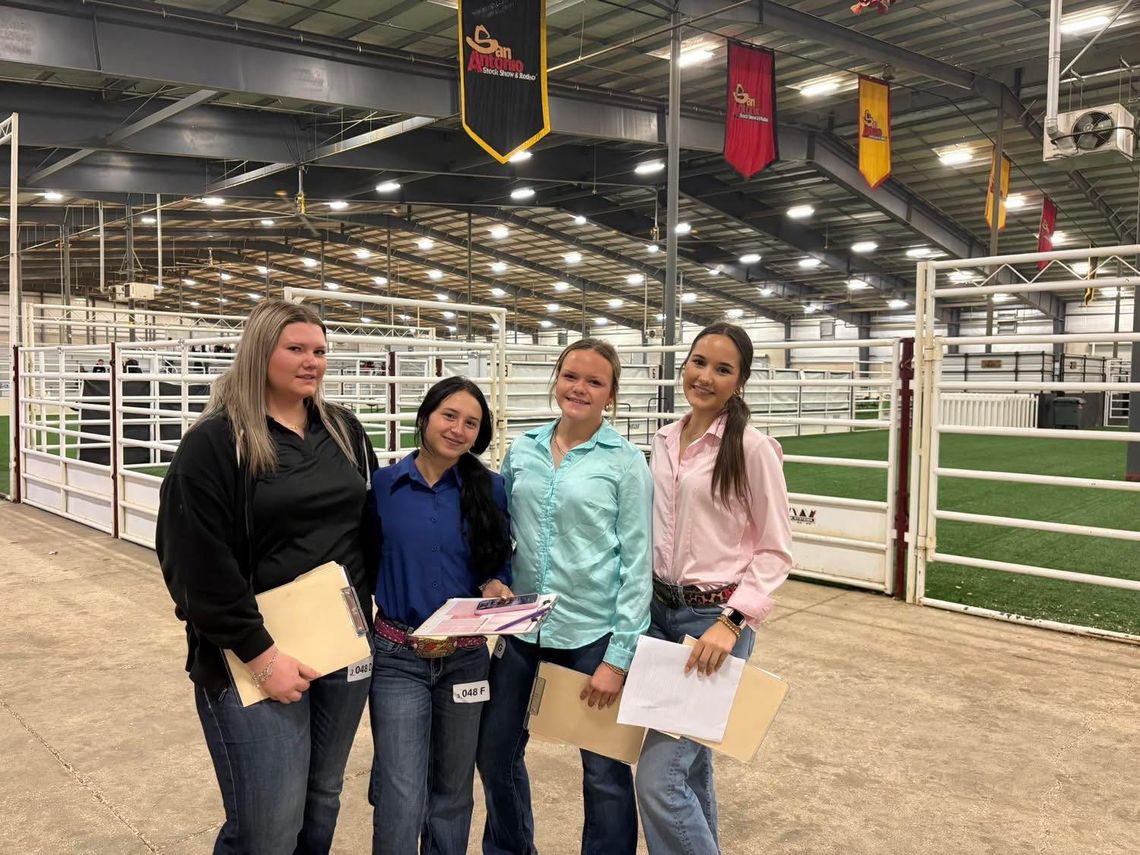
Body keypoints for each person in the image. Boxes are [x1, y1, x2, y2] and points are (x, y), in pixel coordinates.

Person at [155, 299, 379, 854]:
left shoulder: (343, 431)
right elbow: (193, 564)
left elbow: (367, 530)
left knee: (322, 798)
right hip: (254, 657)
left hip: (343, 648)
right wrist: (263, 656)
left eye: (320, 351)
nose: (312, 362)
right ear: (260, 353)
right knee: (268, 825)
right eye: (296, 349)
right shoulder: (215, 443)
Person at [477, 338, 653, 855]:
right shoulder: (523, 449)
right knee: (495, 753)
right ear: (556, 379)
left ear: (611, 395)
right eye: (571, 376)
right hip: (525, 625)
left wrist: (619, 657)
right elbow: (500, 529)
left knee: (603, 769)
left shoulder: (624, 464)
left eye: (595, 381)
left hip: (590, 633)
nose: (580, 388)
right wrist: (492, 576)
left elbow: (636, 564)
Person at [634, 322, 793, 855]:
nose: (705, 376)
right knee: (688, 767)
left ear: (739, 381)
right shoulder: (663, 439)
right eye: (698, 362)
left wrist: (732, 622)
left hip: (713, 623)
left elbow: (775, 549)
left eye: (722, 369)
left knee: (658, 780)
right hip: (659, 616)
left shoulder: (751, 447)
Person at [367, 376, 513, 855]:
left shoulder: (489, 489)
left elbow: (497, 562)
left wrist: (495, 584)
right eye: (449, 416)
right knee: (400, 789)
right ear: (426, 416)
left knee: (453, 788)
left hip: (467, 657)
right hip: (397, 656)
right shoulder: (384, 485)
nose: (458, 430)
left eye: (471, 423)